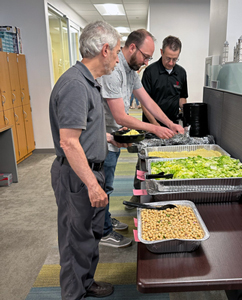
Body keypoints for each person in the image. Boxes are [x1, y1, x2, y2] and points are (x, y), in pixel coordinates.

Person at [49, 21, 128, 300]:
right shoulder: (75, 85)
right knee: (74, 241)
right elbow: (68, 142)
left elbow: (82, 130)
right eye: (117, 52)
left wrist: (108, 139)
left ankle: (85, 282)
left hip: (90, 172)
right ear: (104, 50)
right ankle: (74, 294)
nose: (118, 58)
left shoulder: (88, 83)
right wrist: (92, 186)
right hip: (77, 175)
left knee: (90, 236)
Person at [97, 29, 184, 248]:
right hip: (103, 138)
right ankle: (103, 231)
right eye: (145, 56)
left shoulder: (131, 72)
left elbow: (149, 102)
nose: (147, 61)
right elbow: (119, 115)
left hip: (116, 138)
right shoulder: (114, 71)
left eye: (149, 58)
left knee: (109, 184)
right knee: (102, 187)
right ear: (132, 47)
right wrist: (155, 129)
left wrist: (170, 124)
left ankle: (105, 220)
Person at [128, 35, 188, 208]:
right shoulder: (150, 71)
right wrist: (155, 126)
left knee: (168, 161)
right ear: (161, 52)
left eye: (175, 59)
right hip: (150, 125)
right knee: (144, 160)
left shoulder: (181, 73)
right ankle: (137, 193)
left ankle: (163, 193)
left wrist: (181, 119)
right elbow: (146, 103)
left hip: (171, 126)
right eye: (168, 58)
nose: (171, 62)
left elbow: (182, 97)